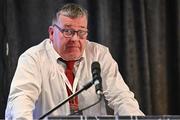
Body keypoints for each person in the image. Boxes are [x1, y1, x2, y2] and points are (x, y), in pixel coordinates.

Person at [5, 3, 144, 119]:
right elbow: (22, 98)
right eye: (68, 32)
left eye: (81, 32)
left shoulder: (99, 55)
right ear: (52, 33)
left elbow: (121, 97)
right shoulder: (32, 58)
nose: (75, 39)